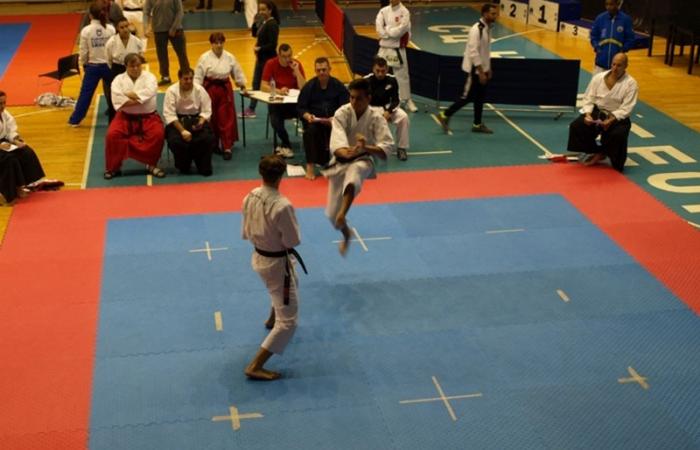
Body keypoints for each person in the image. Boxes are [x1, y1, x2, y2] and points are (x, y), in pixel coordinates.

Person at [242, 154, 305, 381]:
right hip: (277, 264)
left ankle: (271, 318)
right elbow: (292, 240)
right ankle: (255, 365)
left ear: (261, 173)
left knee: (288, 284)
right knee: (288, 323)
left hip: (259, 256)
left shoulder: (250, 196)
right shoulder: (282, 205)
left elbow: (246, 230)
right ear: (281, 175)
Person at [324, 78, 393, 255]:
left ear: (368, 98)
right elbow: (336, 142)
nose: (354, 102)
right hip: (340, 161)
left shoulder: (376, 117)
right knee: (331, 216)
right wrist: (343, 151)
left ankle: (343, 212)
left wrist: (365, 147)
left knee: (354, 174)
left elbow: (386, 148)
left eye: (359, 98)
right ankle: (346, 232)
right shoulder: (342, 113)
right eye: (352, 97)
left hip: (363, 159)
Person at [567, 53, 638, 172]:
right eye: (613, 64)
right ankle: (598, 152)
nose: (615, 68)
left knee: (618, 136)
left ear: (626, 66)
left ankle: (609, 154)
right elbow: (589, 97)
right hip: (598, 112)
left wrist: (611, 120)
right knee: (577, 126)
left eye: (619, 65)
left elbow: (627, 108)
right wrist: (588, 115)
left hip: (617, 116)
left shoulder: (631, 83)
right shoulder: (599, 78)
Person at [436, 2, 498, 135]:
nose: (495, 16)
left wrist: (488, 68)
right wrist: (481, 72)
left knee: (480, 97)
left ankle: (477, 124)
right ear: (485, 14)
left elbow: (485, 51)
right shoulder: (477, 30)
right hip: (474, 70)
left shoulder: (488, 28)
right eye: (493, 13)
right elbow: (473, 52)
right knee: (467, 97)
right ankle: (444, 114)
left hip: (482, 69)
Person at [105, 53, 166, 179]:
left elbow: (149, 94)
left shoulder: (150, 78)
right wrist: (139, 100)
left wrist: (127, 95)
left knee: (158, 134)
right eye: (132, 66)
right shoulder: (118, 80)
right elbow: (117, 100)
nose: (136, 68)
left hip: (149, 117)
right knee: (112, 135)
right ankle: (113, 168)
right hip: (125, 117)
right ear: (126, 66)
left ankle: (152, 165)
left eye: (138, 65)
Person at [0, 92, 62, 204]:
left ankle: (22, 185)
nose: (3, 106)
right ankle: (8, 193)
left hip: (4, 142)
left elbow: (10, 128)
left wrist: (15, 140)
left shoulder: (4, 113)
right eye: (0, 103)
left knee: (25, 152)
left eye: (4, 103)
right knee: (9, 159)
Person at [194, 32, 247, 160]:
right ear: (211, 44)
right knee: (211, 117)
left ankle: (227, 146)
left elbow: (237, 72)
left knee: (226, 118)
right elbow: (198, 77)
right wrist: (197, 92)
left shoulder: (229, 57)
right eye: (216, 43)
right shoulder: (204, 58)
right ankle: (213, 144)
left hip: (225, 90)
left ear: (224, 42)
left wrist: (242, 85)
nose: (219, 45)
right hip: (209, 89)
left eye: (221, 42)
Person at [297, 57, 349, 180]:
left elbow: (346, 106)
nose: (321, 72)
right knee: (309, 132)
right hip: (315, 122)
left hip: (335, 121)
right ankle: (310, 166)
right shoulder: (309, 87)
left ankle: (340, 164)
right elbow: (300, 108)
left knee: (342, 129)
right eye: (318, 70)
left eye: (324, 70)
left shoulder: (338, 86)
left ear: (329, 69)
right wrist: (307, 116)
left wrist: (336, 118)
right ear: (315, 71)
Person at [69, 4, 116, 126]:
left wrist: (82, 64)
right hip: (109, 66)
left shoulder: (86, 31)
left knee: (85, 94)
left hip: (92, 67)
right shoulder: (110, 29)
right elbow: (114, 49)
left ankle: (75, 120)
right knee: (117, 91)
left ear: (90, 15)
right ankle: (121, 117)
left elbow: (83, 51)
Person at [164, 68, 215, 176]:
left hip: (196, 119)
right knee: (175, 141)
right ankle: (184, 164)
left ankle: (202, 164)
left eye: (191, 78)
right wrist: (182, 131)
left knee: (207, 138)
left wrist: (200, 123)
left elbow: (206, 110)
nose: (189, 81)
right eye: (186, 79)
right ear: (179, 78)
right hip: (178, 122)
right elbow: (169, 114)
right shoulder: (171, 91)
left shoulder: (199, 89)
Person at [261, 43, 306, 158]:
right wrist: (278, 91)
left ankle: (310, 143)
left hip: (294, 104)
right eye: (284, 57)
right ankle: (286, 143)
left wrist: (297, 71)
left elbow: (303, 88)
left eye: (289, 56)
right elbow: (263, 86)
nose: (287, 59)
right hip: (278, 103)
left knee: (307, 116)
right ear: (279, 56)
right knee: (275, 121)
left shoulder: (296, 64)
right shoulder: (271, 64)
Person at [375, 0, 417, 113]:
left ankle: (406, 100)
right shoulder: (383, 11)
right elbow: (379, 30)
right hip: (383, 49)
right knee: (379, 74)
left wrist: (387, 30)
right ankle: (379, 97)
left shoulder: (405, 12)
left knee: (402, 76)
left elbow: (400, 31)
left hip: (398, 49)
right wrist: (388, 32)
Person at [240, 0, 280, 118]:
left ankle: (277, 109)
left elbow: (273, 44)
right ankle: (251, 109)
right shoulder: (264, 22)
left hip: (269, 60)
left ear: (270, 10)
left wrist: (260, 48)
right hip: (261, 59)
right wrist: (254, 23)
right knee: (256, 83)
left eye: (263, 9)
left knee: (271, 85)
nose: (261, 12)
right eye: (260, 9)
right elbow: (255, 35)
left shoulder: (272, 24)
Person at [365, 56, 409, 161]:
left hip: (387, 108)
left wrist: (389, 111)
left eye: (383, 71)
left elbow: (396, 100)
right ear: (373, 69)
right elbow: (363, 100)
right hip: (371, 109)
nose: (380, 74)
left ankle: (401, 148)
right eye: (378, 71)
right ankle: (369, 148)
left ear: (387, 69)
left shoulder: (392, 80)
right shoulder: (366, 81)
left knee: (403, 117)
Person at [144, 0, 190, 86]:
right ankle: (165, 77)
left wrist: (174, 27)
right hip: (159, 30)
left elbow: (180, 12)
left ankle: (186, 75)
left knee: (182, 54)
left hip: (176, 30)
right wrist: (146, 27)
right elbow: (146, 12)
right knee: (162, 55)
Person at [590, 0, 635, 73]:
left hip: (617, 66)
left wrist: (623, 49)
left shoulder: (626, 19)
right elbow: (593, 36)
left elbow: (630, 39)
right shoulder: (600, 18)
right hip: (600, 64)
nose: (608, 7)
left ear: (617, 4)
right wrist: (597, 47)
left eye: (611, 4)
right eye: (606, 4)